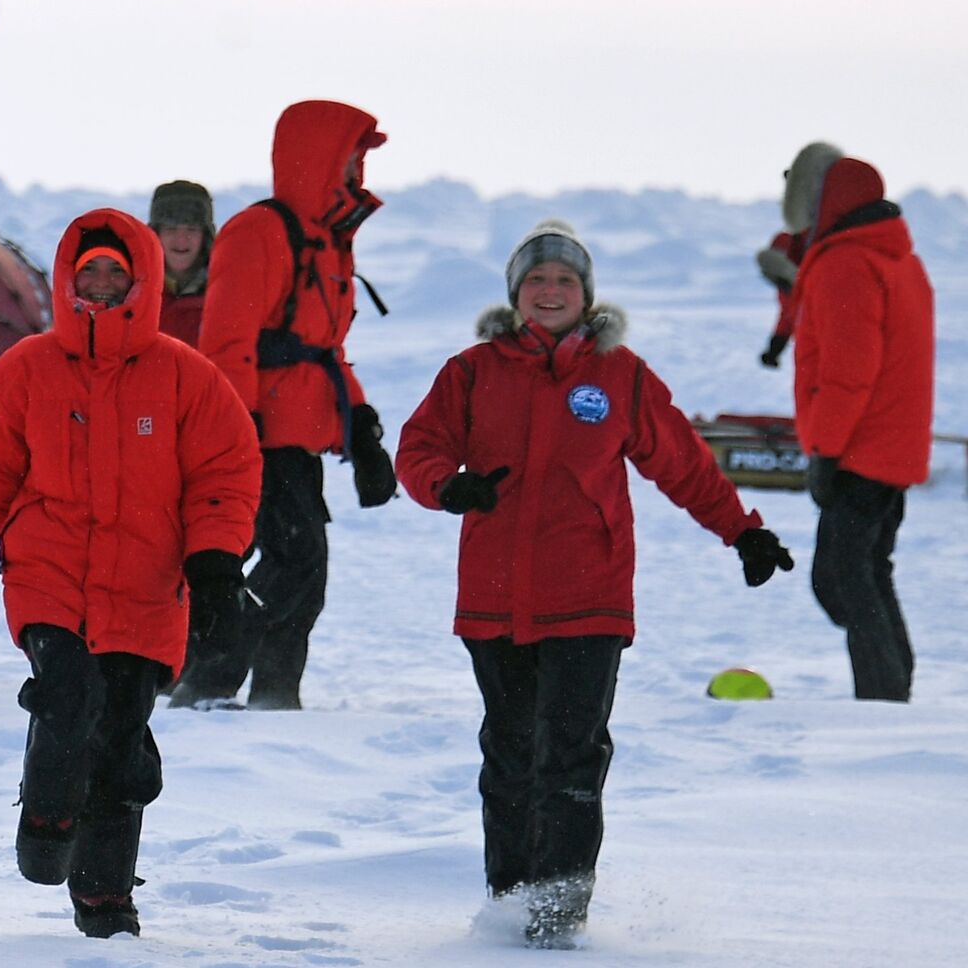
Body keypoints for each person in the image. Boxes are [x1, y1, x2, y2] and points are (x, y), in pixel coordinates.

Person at [395, 218, 796, 948]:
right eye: (538, 280)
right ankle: (509, 900)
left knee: (572, 753)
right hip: (494, 600)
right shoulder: (472, 370)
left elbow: (683, 464)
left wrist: (743, 530)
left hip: (589, 597)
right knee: (510, 754)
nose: (551, 292)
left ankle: (556, 914)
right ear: (517, 294)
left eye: (566, 281)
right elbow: (418, 448)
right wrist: (446, 487)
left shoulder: (621, 375)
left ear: (586, 296)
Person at [0, 209, 261, 938]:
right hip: (49, 576)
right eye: (88, 272)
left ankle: (104, 900)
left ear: (141, 281)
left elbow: (224, 474)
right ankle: (45, 816)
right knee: (68, 696)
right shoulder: (28, 369)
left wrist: (218, 567)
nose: (100, 285)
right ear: (68, 279)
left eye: (115, 273)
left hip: (146, 587)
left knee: (121, 742)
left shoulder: (186, 378)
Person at [175, 100, 398, 711]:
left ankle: (269, 694)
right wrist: (237, 429)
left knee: (294, 569)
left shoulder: (327, 241)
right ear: (322, 158)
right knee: (292, 563)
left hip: (296, 438)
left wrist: (365, 433)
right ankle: (210, 683)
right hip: (258, 437)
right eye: (353, 156)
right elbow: (227, 342)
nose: (359, 169)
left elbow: (325, 351)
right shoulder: (262, 232)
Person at [781, 142, 934, 701]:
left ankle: (885, 696)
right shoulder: (896, 258)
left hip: (859, 452)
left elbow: (847, 375)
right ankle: (893, 685)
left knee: (842, 579)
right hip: (890, 449)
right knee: (867, 571)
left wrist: (824, 452)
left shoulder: (847, 263)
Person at [148, 179, 215, 347]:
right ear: (156, 234)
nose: (181, 239)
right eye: (171, 229)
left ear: (205, 236)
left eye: (191, 229)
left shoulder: (228, 289)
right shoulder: (132, 287)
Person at [754, 229, 808, 368]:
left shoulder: (814, 281)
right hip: (808, 351)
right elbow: (787, 317)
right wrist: (775, 348)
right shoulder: (784, 287)